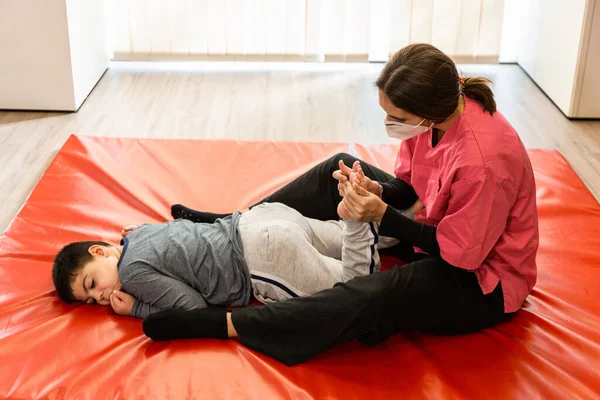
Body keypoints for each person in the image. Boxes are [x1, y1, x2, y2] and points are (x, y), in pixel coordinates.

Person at [142, 43, 540, 367]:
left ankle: (225, 323)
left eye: (396, 116)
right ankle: (233, 225)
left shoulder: (486, 164)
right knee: (338, 169)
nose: (390, 123)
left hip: (481, 283)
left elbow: (461, 256)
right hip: (432, 230)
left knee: (373, 291)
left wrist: (380, 214)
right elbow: (412, 189)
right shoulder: (433, 118)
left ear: (427, 111)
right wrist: (375, 190)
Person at [52, 169, 399, 318]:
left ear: (99, 251)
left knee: (357, 288)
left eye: (92, 283)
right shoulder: (138, 235)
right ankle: (410, 223)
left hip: (263, 259)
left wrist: (137, 310)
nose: (100, 297)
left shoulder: (131, 274)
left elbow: (193, 307)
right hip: (260, 219)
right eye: (91, 301)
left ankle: (358, 221)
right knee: (338, 237)